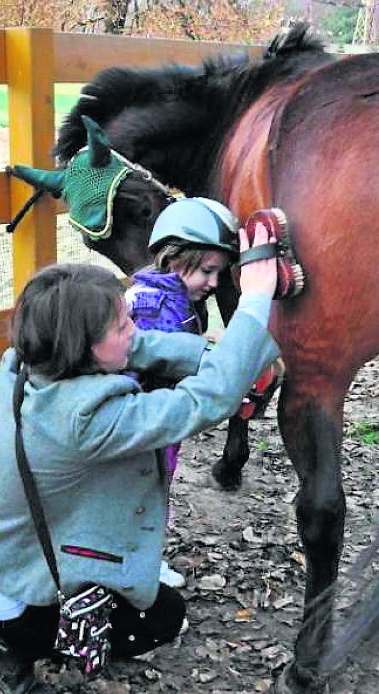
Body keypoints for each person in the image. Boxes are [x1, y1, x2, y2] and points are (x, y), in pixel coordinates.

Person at [0, 223, 280, 694]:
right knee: (161, 621)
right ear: (87, 347)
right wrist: (255, 302)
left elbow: (141, 346)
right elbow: (206, 402)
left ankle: (25, 630)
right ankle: (8, 652)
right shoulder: (86, 419)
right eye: (120, 325)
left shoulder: (26, 358)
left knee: (147, 599)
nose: (133, 329)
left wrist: (217, 355)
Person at [125, 197, 240, 589]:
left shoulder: (173, 298)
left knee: (153, 489)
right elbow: (167, 361)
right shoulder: (157, 307)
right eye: (207, 271)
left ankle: (141, 559)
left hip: (157, 421)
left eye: (218, 273)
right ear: (174, 258)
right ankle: (139, 568)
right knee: (144, 494)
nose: (213, 283)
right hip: (147, 424)